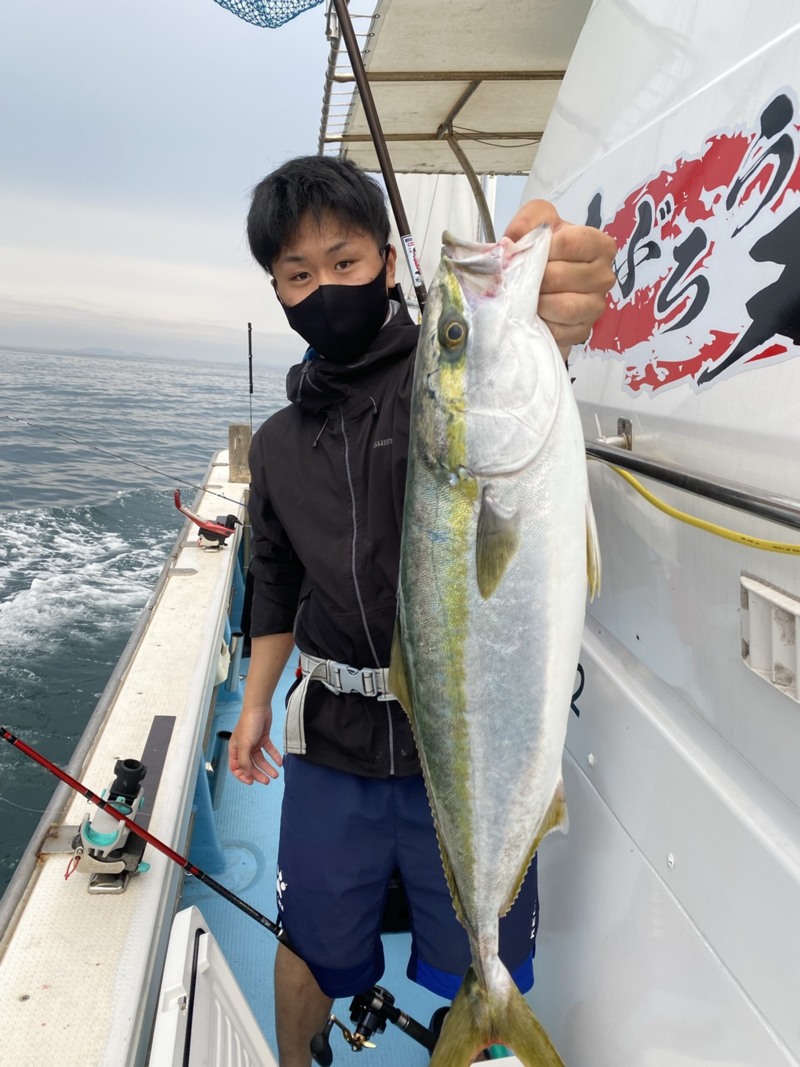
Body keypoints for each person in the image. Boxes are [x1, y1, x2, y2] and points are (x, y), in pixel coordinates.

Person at [229, 154, 616, 1067]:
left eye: (345, 260)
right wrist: (253, 707)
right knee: (309, 946)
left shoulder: (451, 377)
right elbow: (274, 579)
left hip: (467, 737)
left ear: (390, 264)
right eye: (297, 274)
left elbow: (520, 340)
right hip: (333, 742)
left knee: (479, 955)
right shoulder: (281, 444)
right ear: (278, 292)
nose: (323, 286)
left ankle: (482, 1025)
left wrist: (550, 276)